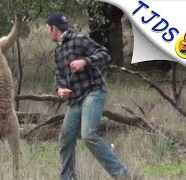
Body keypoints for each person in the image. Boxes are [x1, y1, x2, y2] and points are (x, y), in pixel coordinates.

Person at [45, 11, 130, 180]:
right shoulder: (58, 52)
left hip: (93, 92)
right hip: (75, 99)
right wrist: (59, 89)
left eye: (47, 28)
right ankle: (68, 177)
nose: (47, 32)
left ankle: (122, 175)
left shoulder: (79, 40)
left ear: (54, 28)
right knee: (65, 138)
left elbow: (105, 54)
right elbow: (60, 76)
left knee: (88, 135)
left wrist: (85, 61)